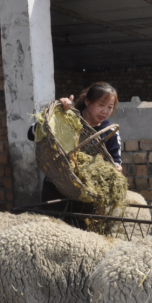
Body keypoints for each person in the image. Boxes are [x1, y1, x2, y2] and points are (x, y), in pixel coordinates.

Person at [27, 82, 122, 220]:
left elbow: (116, 161)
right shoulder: (69, 118)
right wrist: (57, 112)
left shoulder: (110, 131)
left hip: (89, 195)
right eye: (101, 105)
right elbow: (31, 133)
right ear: (87, 101)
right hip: (56, 188)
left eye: (110, 107)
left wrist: (117, 168)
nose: (105, 111)